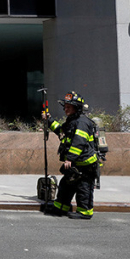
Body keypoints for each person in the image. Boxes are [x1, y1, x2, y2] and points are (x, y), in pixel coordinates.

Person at [42, 91, 99, 219]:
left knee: (83, 189)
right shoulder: (72, 120)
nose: (66, 109)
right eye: (65, 106)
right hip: (76, 164)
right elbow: (61, 132)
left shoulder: (82, 122)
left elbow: (79, 142)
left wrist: (70, 159)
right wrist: (49, 120)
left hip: (85, 164)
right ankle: (60, 208)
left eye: (69, 107)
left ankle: (85, 213)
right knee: (66, 186)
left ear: (76, 108)